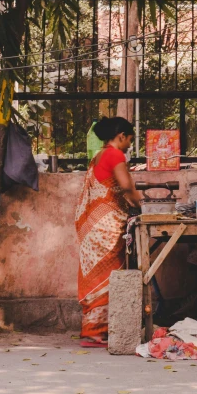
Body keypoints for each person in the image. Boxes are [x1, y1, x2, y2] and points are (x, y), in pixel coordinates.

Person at [75, 116, 142, 347]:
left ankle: (93, 330)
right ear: (121, 136)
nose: (130, 145)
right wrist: (141, 203)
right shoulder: (115, 154)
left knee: (97, 275)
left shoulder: (98, 156)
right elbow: (125, 187)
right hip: (107, 226)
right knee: (108, 275)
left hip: (94, 226)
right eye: (129, 140)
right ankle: (96, 333)